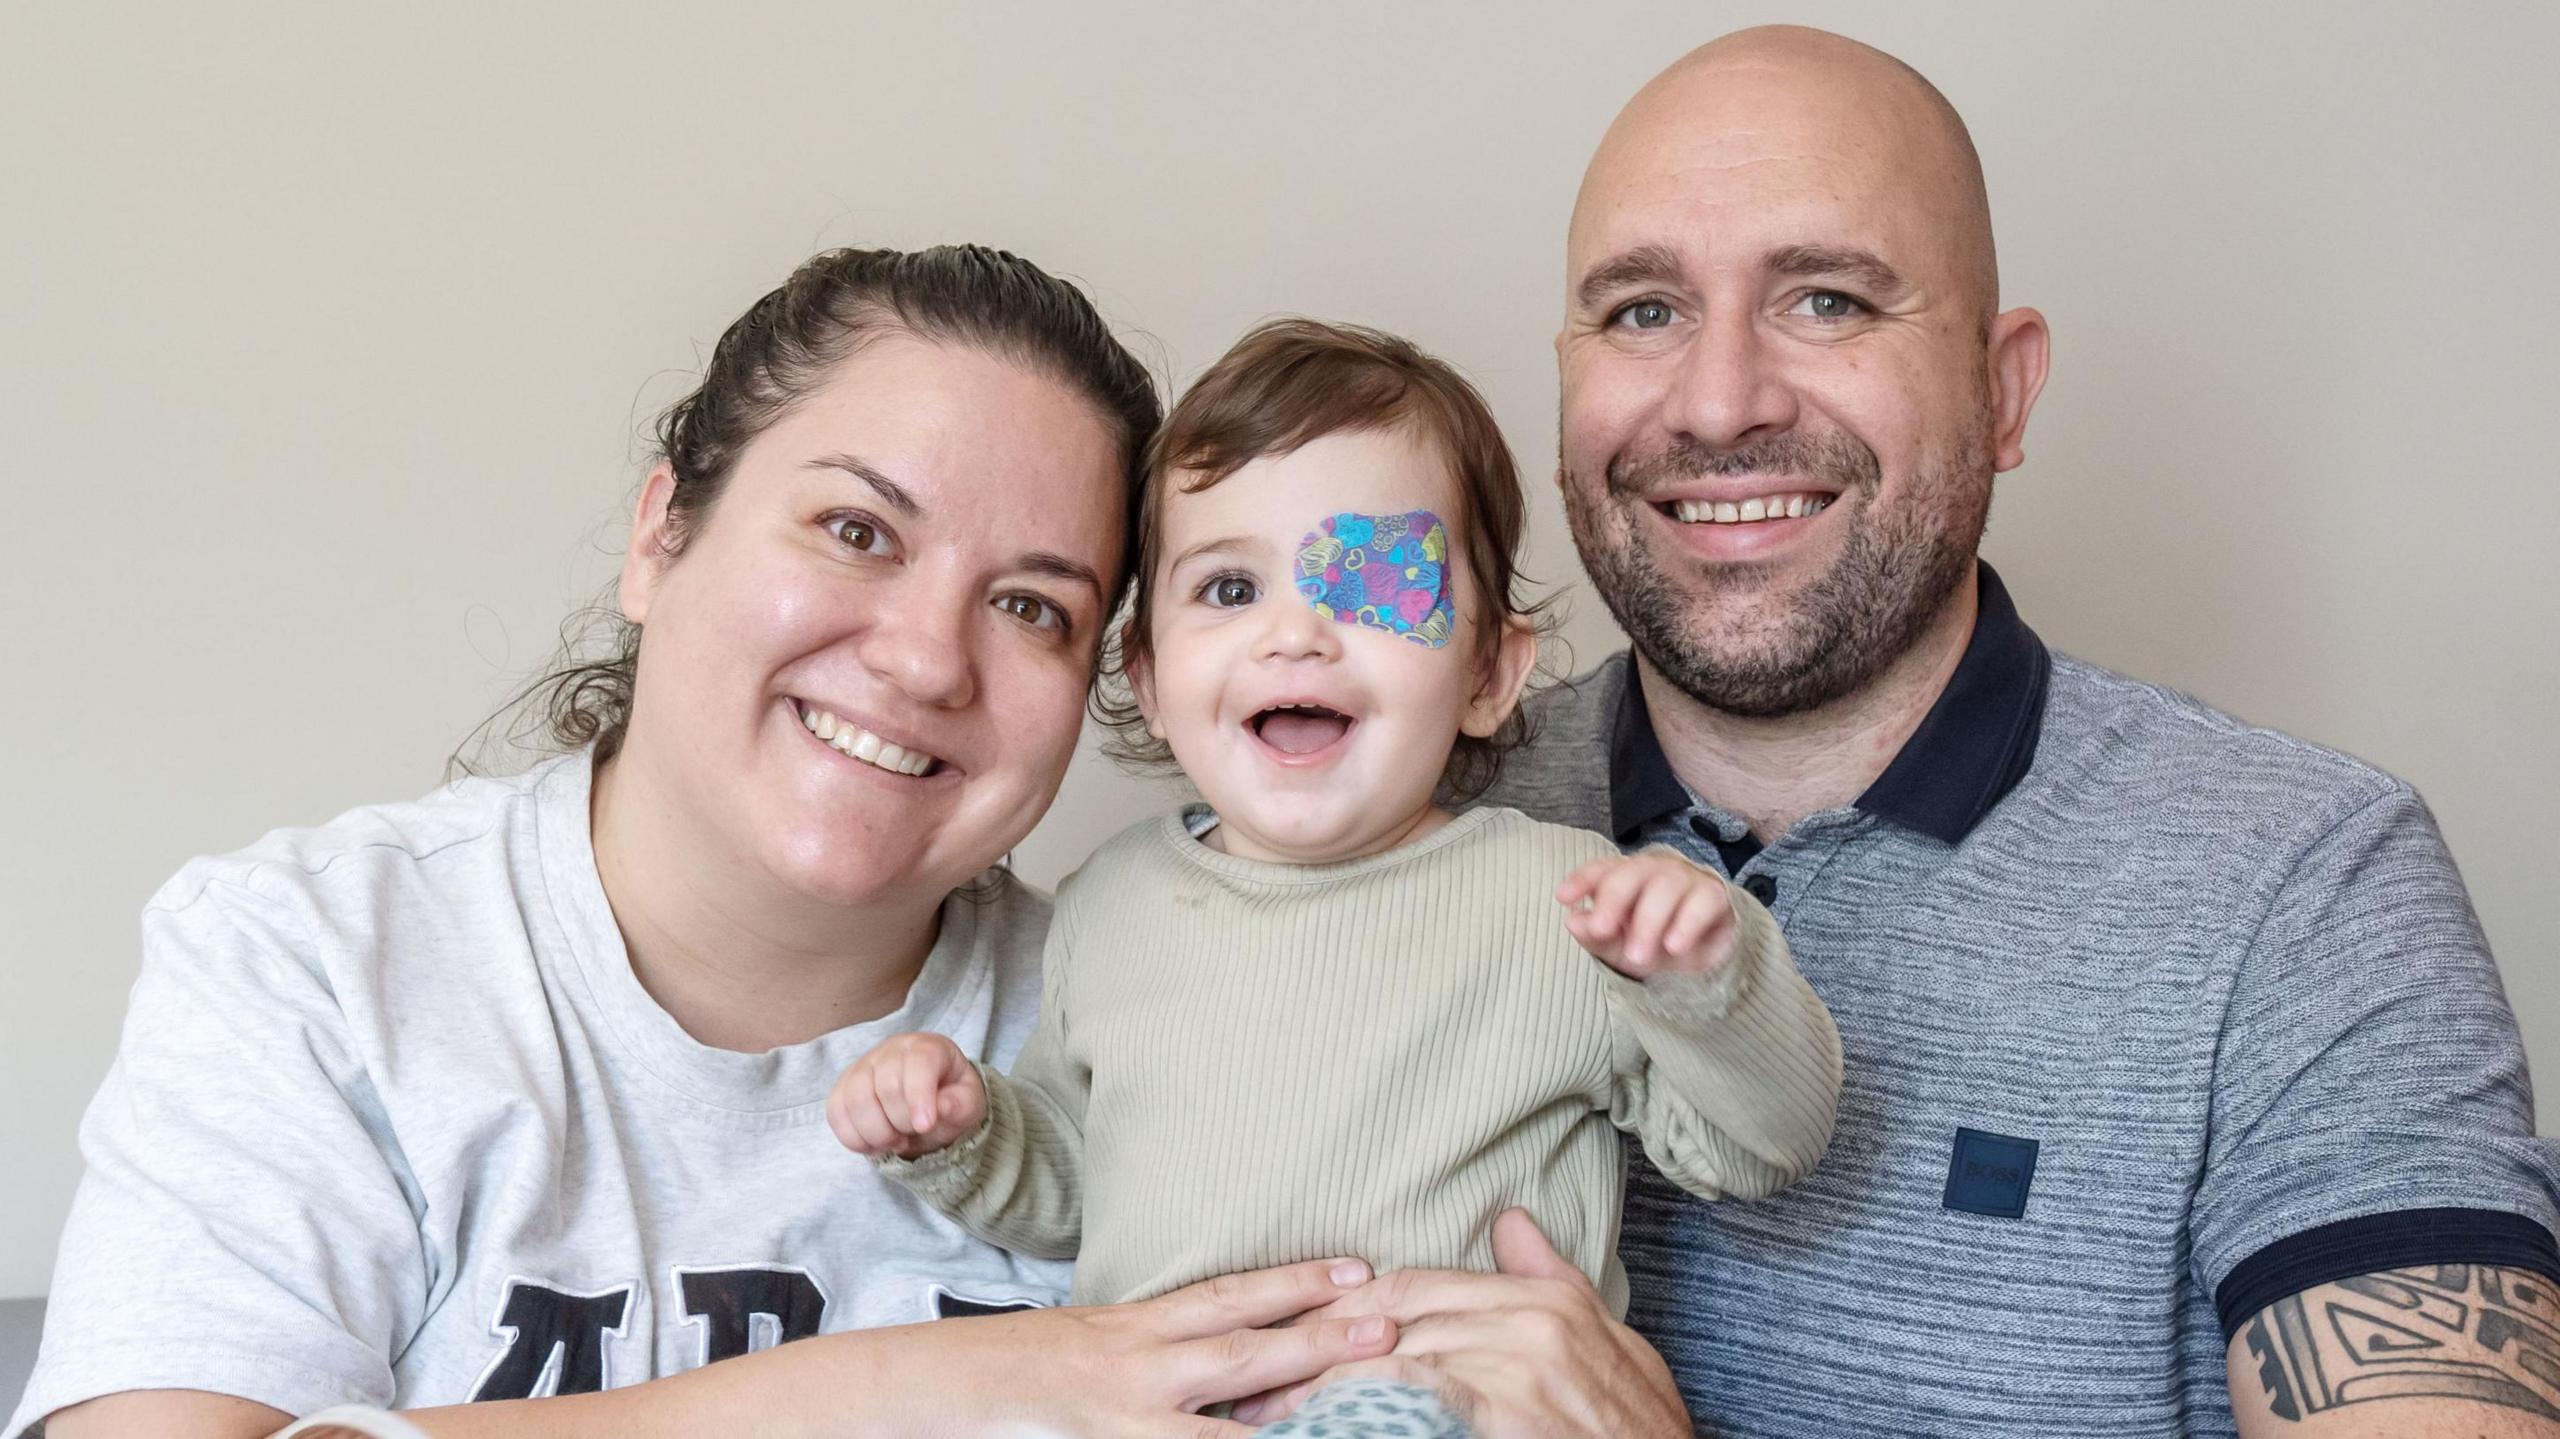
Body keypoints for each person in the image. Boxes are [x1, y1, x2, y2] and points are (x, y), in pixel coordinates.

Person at [13, 245, 1435, 1439]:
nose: (929, 658)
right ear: (660, 534)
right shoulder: (317, 955)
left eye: (1032, 606)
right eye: (857, 529)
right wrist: (941, 1382)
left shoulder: (1163, 1019)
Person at [1476, 23, 2560, 1438]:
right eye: (1641, 312)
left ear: (2004, 389)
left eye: (1826, 301)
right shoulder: (1423, 815)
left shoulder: (2309, 889)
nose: (1720, 399)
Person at [825, 319, 1842, 1436]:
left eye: (1371, 578)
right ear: (1151, 679)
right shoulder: (1108, 904)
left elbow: (1765, 1145)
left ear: (1488, 674)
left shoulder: (1563, 900)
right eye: (1226, 589)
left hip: (1449, 1400)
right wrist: (962, 1132)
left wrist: (1710, 979)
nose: (1297, 632)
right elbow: (1074, 1184)